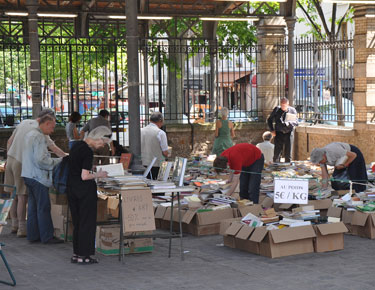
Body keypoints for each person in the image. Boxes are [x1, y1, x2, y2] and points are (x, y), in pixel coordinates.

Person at [5, 109, 66, 238]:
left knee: (12, 195)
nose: (53, 129)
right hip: (22, 163)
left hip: (10, 159)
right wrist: (66, 158)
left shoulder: (24, 122)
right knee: (22, 196)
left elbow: (9, 141)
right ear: (47, 121)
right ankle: (22, 227)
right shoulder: (40, 133)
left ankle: (14, 224)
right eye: (52, 125)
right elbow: (52, 149)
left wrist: (7, 158)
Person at [67, 127, 110, 264]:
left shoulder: (76, 145)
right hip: (84, 191)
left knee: (78, 222)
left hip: (72, 189)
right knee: (87, 223)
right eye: (103, 142)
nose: (103, 146)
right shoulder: (87, 151)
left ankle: (77, 253)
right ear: (98, 138)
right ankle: (84, 255)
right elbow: (85, 176)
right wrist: (99, 174)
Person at [21, 113, 63, 244]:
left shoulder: (30, 134)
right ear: (46, 124)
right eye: (52, 127)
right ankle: (46, 236)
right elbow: (41, 160)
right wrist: (58, 161)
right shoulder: (39, 136)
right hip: (37, 177)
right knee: (43, 207)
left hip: (28, 174)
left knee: (33, 208)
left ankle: (33, 235)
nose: (52, 130)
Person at [267, 97, 298, 163]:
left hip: (289, 132)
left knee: (288, 152)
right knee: (277, 153)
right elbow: (269, 120)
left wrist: (288, 123)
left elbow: (296, 122)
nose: (283, 106)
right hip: (279, 132)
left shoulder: (292, 110)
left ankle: (287, 168)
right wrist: (272, 130)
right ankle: (276, 166)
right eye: (282, 104)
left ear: (288, 104)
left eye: (285, 105)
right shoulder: (277, 109)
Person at [141, 112, 169, 180]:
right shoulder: (160, 133)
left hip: (142, 163)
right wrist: (168, 154)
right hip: (155, 165)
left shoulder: (140, 131)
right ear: (160, 121)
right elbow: (165, 152)